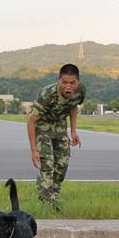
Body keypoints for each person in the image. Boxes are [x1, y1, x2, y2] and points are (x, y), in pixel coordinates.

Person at [27, 64, 84, 209]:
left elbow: (73, 106)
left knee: (62, 165)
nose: (68, 87)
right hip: (42, 128)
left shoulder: (80, 91)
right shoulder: (48, 94)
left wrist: (73, 130)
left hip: (60, 127)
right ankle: (47, 203)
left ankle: (54, 196)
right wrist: (34, 150)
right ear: (59, 81)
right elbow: (31, 121)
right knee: (47, 165)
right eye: (64, 82)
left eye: (72, 83)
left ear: (78, 82)